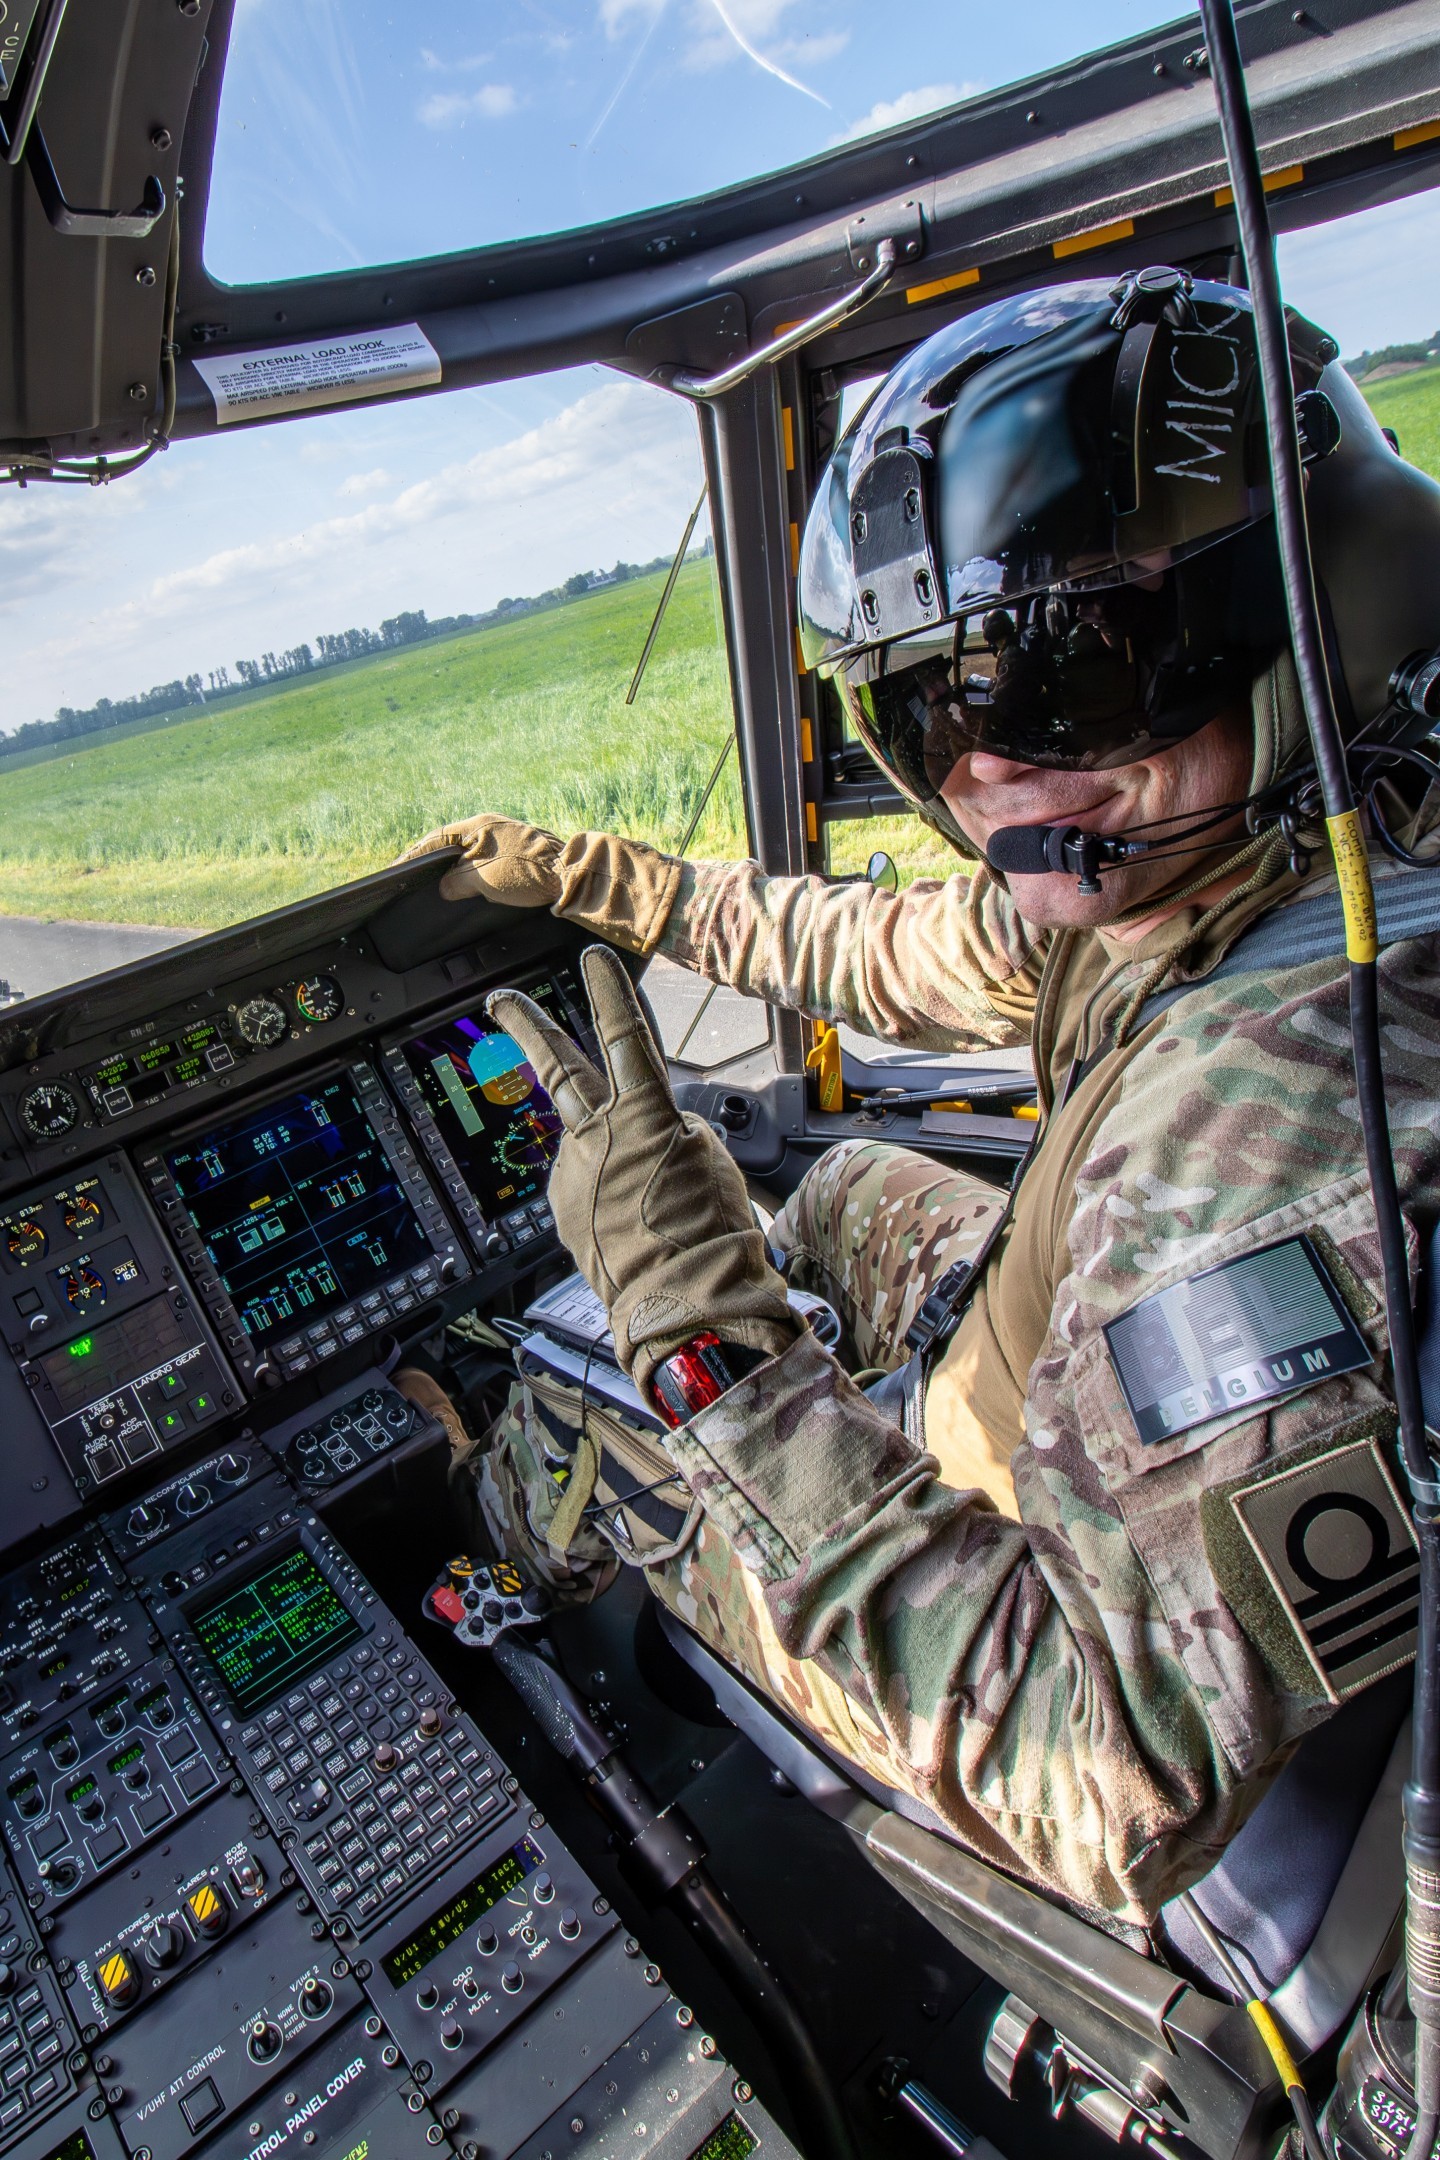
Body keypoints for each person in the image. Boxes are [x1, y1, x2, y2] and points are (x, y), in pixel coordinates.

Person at [401, 269, 1440, 1932]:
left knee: (585, 1395)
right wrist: (616, 885)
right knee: (831, 1190)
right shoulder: (1271, 851)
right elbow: (885, 946)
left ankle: (484, 1565)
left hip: (1059, 1647)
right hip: (1053, 1367)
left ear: (1319, 607)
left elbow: (1100, 1765)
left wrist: (694, 1336)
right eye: (926, 707)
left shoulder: (1259, 1106)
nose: (985, 773)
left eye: (1062, 672)